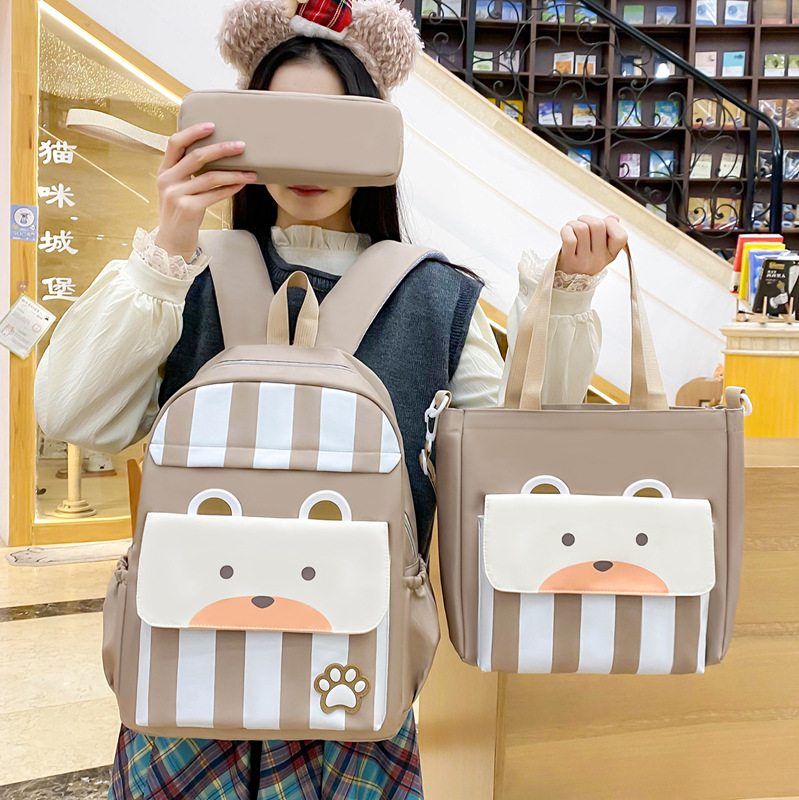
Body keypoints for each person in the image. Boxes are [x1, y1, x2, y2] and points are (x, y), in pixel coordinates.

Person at [33, 1, 628, 797]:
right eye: (280, 124)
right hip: (185, 676)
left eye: (335, 124)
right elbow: (71, 414)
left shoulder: (436, 299)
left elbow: (508, 476)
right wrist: (169, 237)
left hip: (355, 678)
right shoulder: (184, 277)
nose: (306, 155)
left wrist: (564, 303)